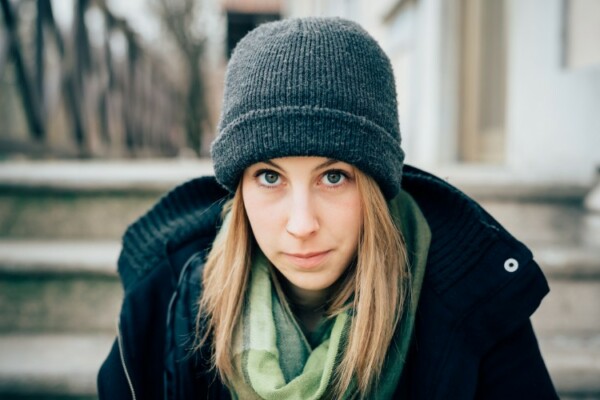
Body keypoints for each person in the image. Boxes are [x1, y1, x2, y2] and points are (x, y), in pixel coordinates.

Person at [98, 17, 558, 399]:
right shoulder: (166, 303)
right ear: (238, 189)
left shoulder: (476, 301)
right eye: (269, 177)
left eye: (333, 177)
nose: (302, 225)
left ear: (376, 187)